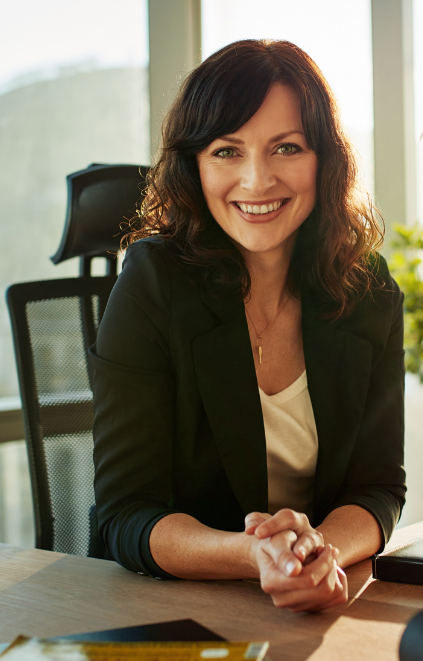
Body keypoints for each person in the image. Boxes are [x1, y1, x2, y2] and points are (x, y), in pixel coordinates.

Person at [88, 39, 405, 613]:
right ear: (195, 165)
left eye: (286, 147)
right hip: (171, 609)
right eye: (227, 151)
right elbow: (124, 514)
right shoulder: (153, 283)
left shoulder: (367, 290)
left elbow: (378, 487)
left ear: (323, 159)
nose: (257, 181)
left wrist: (318, 552)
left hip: (315, 608)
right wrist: (254, 555)